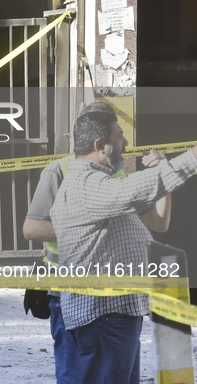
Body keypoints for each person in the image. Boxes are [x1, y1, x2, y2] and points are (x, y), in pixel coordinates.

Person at [22, 102, 172, 383]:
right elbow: (31, 228)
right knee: (74, 375)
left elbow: (158, 223)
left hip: (116, 300)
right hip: (66, 291)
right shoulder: (59, 170)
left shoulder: (115, 173)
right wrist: (84, 226)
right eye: (116, 134)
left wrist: (163, 174)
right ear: (94, 137)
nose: (122, 141)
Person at [49, 108, 197, 383]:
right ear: (100, 146)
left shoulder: (100, 184)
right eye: (119, 136)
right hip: (103, 317)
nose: (126, 143)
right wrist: (192, 158)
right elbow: (137, 189)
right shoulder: (87, 185)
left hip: (113, 316)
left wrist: (162, 168)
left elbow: (156, 216)